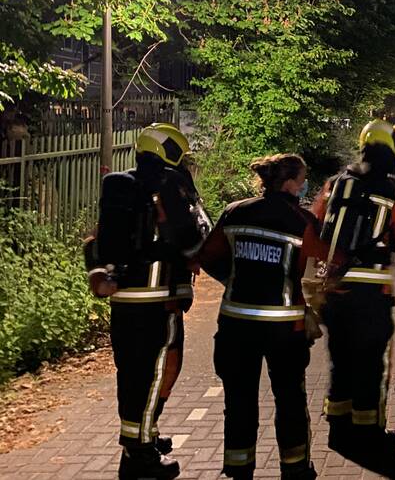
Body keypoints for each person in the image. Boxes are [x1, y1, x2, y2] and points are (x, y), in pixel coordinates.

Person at [85, 123, 209, 480]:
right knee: (157, 374)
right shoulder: (171, 185)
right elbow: (190, 237)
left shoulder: (120, 185)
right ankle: (139, 455)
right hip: (160, 299)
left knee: (132, 374)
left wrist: (99, 273)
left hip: (125, 298)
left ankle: (144, 437)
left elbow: (97, 238)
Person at [194, 154, 328, 480]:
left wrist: (235, 278)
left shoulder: (236, 211)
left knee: (239, 403)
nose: (305, 184)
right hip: (284, 329)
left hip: (236, 326)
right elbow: (319, 271)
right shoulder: (304, 222)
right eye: (303, 178)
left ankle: (239, 469)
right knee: (290, 401)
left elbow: (207, 256)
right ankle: (295, 469)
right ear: (291, 184)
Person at [314, 120, 395, 466]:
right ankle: (370, 435)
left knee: (340, 359)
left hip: (334, 290)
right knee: (372, 367)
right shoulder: (389, 190)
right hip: (372, 294)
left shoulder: (335, 183)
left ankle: (337, 427)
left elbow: (314, 226)